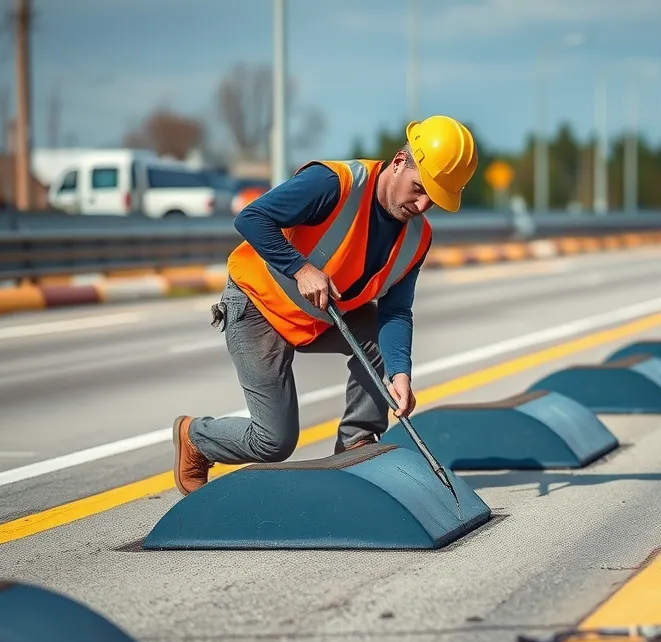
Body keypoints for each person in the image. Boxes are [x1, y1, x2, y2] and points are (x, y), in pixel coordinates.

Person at [171, 115, 478, 496]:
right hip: (258, 305)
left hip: (317, 316)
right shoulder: (335, 183)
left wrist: (400, 373)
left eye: (435, 198)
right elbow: (252, 218)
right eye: (419, 188)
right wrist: (300, 269)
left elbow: (395, 311)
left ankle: (356, 445)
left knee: (374, 334)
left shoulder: (418, 237)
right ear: (400, 161)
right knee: (274, 442)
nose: (422, 204)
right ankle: (196, 438)